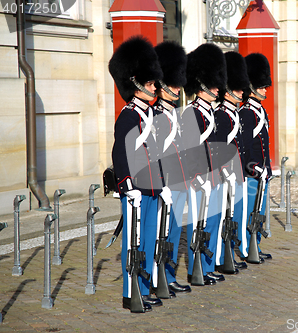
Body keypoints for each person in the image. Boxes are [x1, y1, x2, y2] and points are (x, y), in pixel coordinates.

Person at [108, 35, 165, 312]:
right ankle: (130, 294)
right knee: (134, 243)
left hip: (152, 188)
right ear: (136, 82)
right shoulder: (129, 116)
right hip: (136, 191)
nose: (155, 86)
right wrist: (127, 185)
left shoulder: (149, 114)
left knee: (149, 241)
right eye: (151, 82)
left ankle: (143, 288)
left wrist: (162, 183)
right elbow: (121, 154)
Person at [181, 43, 227, 285]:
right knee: (198, 223)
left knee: (213, 221)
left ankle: (207, 266)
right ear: (201, 86)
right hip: (200, 180)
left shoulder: (212, 112)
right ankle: (196, 268)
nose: (218, 88)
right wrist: (200, 178)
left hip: (215, 176)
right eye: (213, 84)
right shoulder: (192, 113)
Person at [152, 40, 191, 295]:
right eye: (173, 83)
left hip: (178, 182)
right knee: (160, 234)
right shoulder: (154, 114)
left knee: (174, 233)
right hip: (162, 184)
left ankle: (169, 273)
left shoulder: (177, 113)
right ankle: (157, 279)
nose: (177, 88)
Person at [214, 51, 251, 274]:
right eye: (237, 88)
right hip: (224, 175)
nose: (241, 92)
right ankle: (220, 257)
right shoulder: (221, 114)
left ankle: (227, 254)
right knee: (222, 218)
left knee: (230, 218)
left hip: (235, 174)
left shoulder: (233, 113)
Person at [239, 53, 273, 263]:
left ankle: (255, 245)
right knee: (249, 213)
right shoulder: (246, 112)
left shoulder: (259, 110)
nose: (264, 89)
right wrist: (255, 168)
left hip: (262, 172)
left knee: (258, 213)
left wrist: (267, 167)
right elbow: (245, 147)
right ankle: (245, 248)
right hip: (252, 174)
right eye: (260, 86)